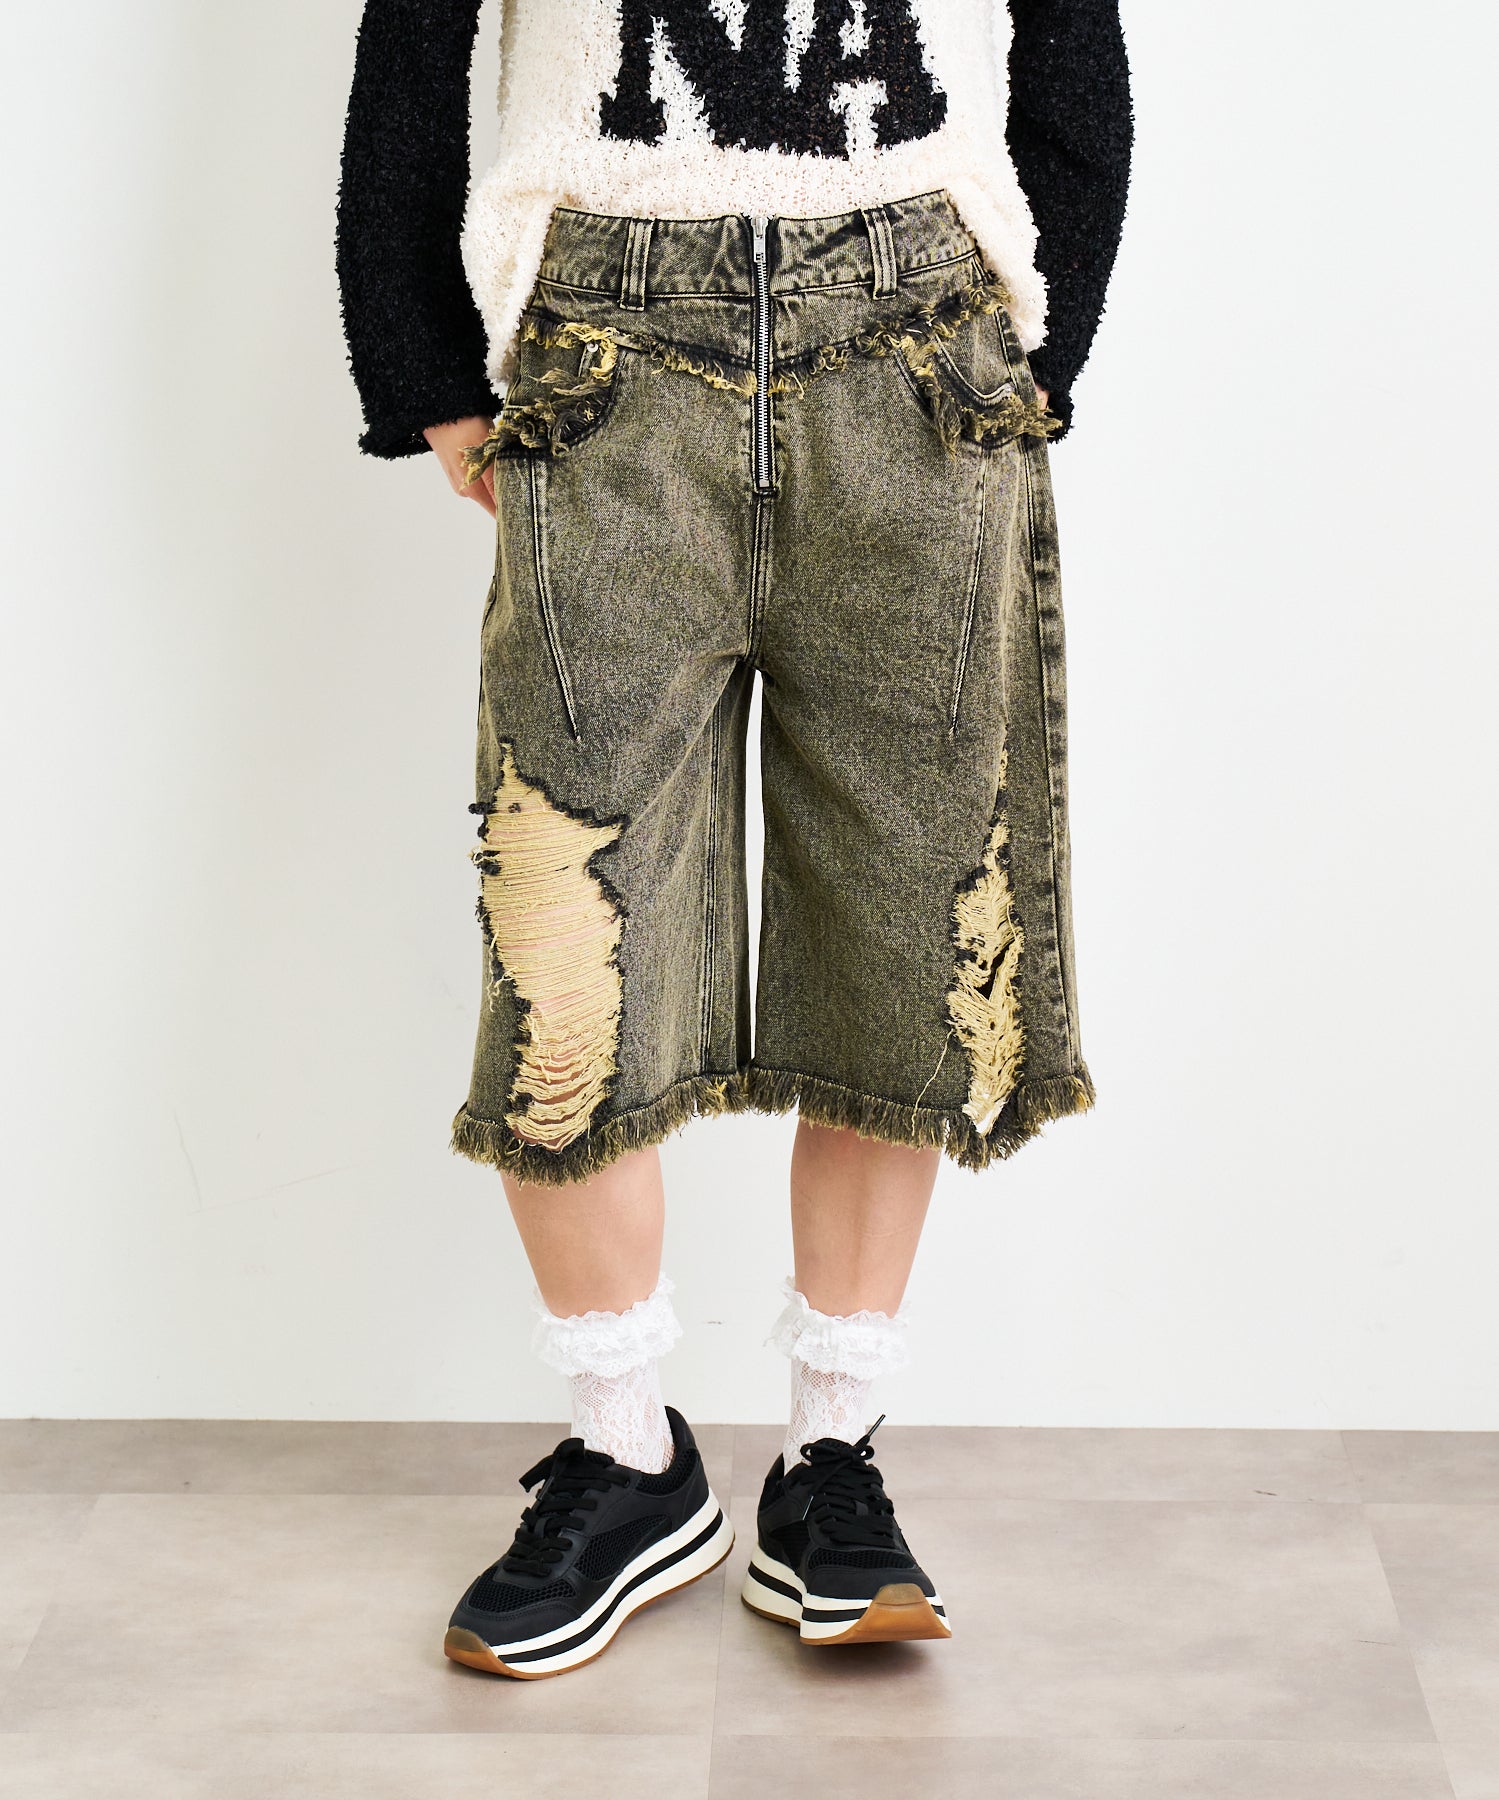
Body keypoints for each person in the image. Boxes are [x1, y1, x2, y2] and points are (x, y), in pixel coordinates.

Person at [336, 0, 1130, 1678]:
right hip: (604, 362)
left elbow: (1071, 46)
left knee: (911, 911)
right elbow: (413, 48)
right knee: (570, 915)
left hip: (922, 353)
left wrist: (1035, 343)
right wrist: (420, 367)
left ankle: (833, 1456)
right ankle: (625, 1456)